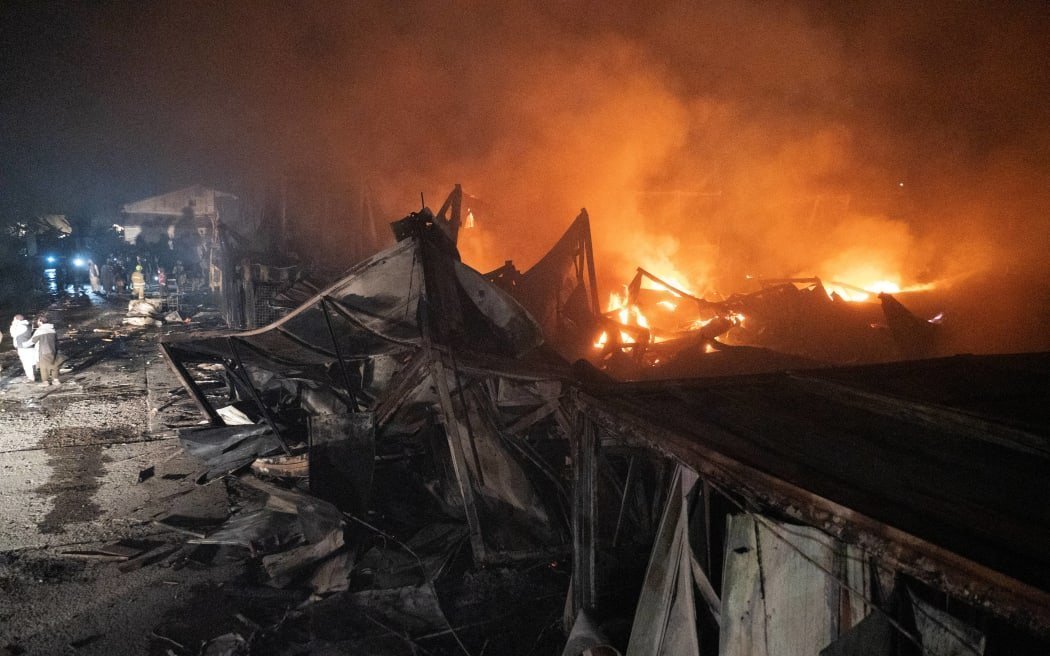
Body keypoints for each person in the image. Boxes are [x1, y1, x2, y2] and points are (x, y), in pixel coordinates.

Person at [29, 313, 60, 386]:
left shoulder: (40, 330)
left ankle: (45, 382)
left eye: (38, 321)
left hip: (43, 351)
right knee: (54, 364)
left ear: (40, 321)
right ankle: (56, 380)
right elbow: (56, 340)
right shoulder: (52, 329)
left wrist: (22, 344)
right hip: (53, 350)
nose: (37, 322)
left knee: (43, 367)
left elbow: (32, 341)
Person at [10, 314, 37, 382]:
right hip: (29, 346)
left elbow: (13, 334)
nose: (12, 321)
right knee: (31, 362)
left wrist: (13, 325)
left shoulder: (20, 327)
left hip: (23, 348)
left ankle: (30, 378)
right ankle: (32, 375)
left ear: (17, 320)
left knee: (26, 363)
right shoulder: (28, 325)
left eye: (14, 319)